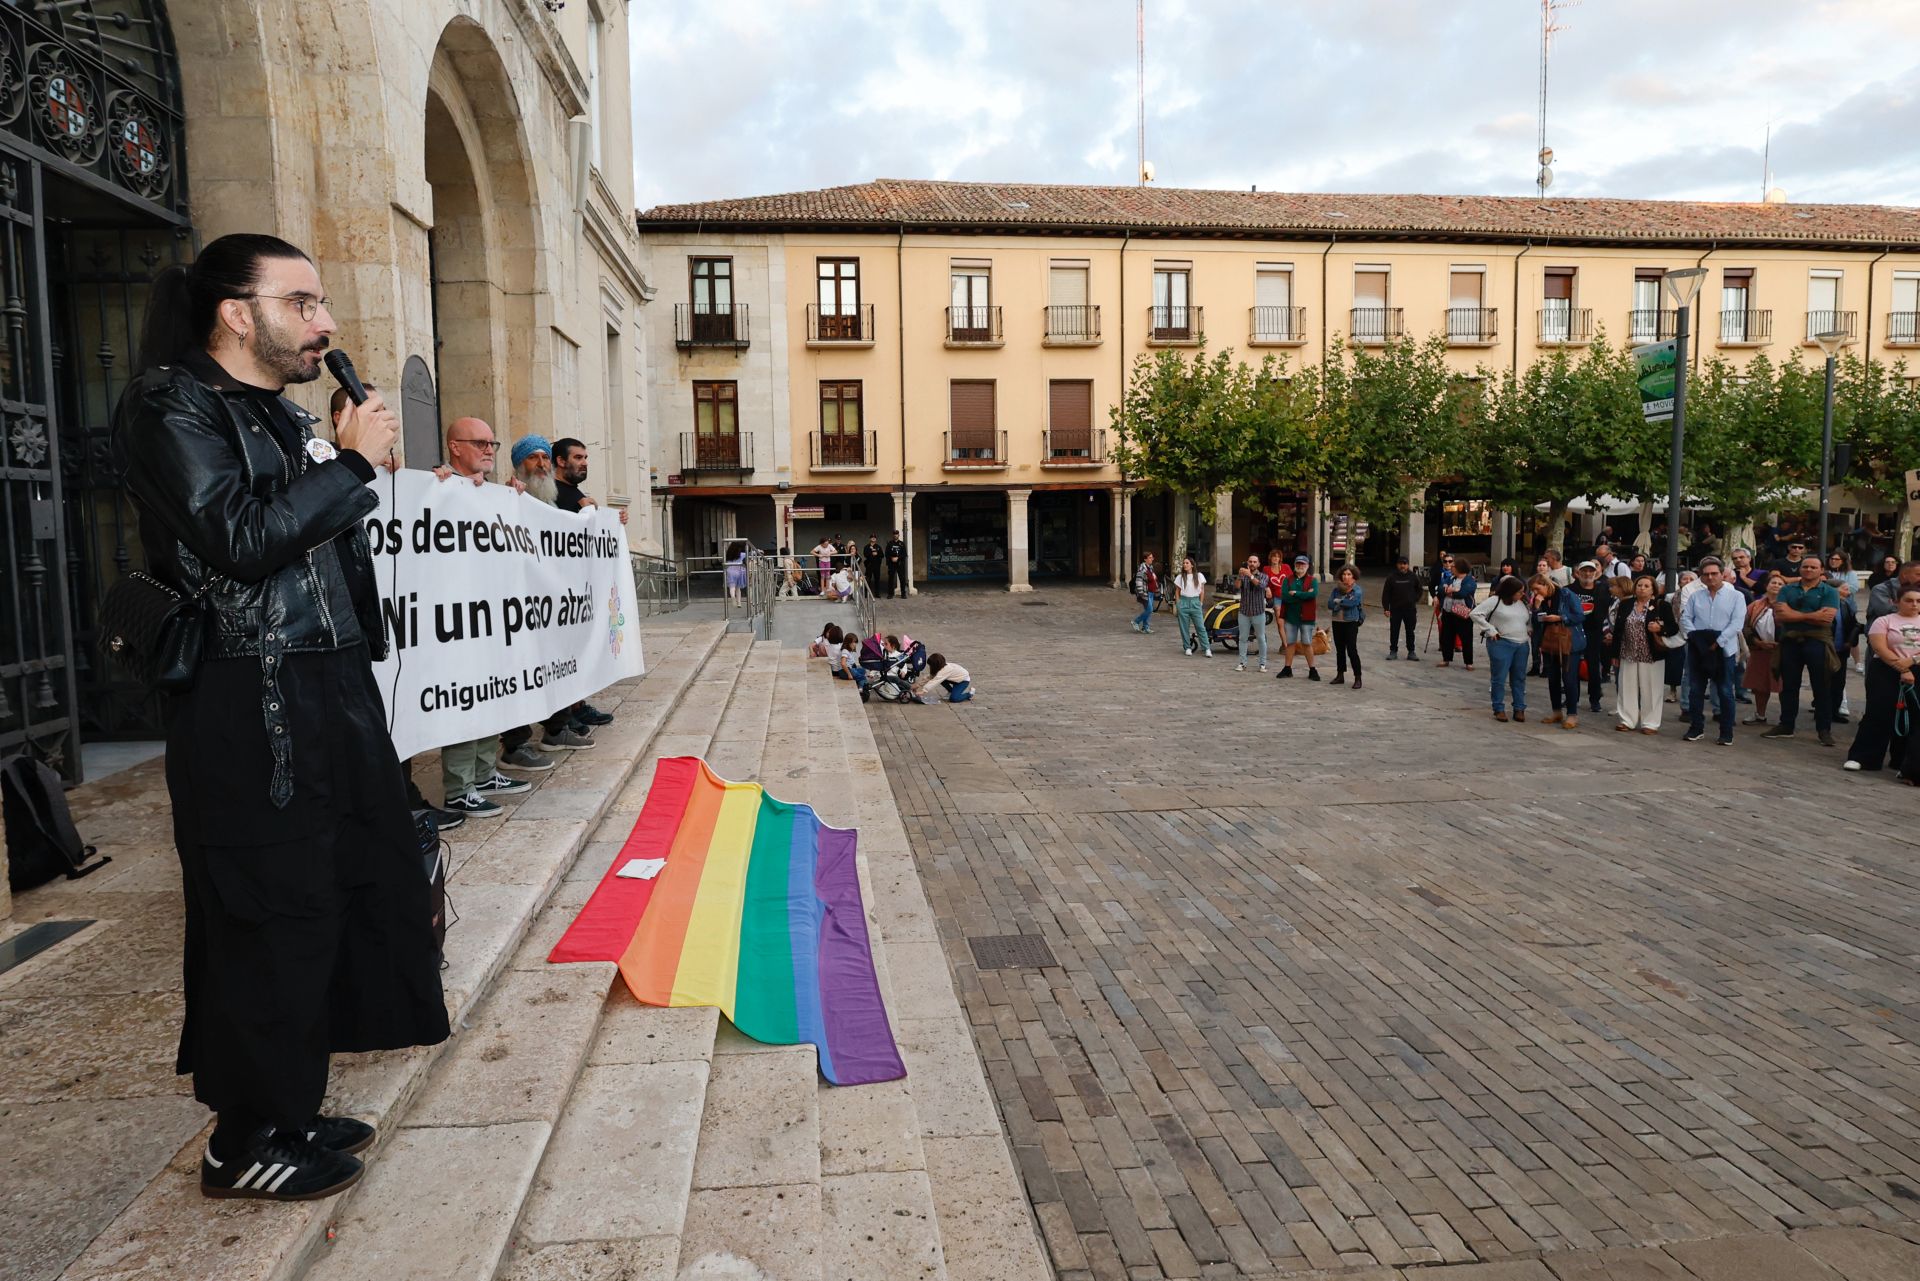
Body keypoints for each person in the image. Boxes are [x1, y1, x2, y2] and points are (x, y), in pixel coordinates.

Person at [119, 233, 448, 1201]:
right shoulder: (169, 403)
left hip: (328, 687)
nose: (327, 322)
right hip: (247, 697)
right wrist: (347, 467)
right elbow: (239, 538)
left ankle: (289, 1102)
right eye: (302, 302)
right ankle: (248, 1136)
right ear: (235, 312)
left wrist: (335, 461)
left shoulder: (279, 414)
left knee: (342, 891)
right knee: (268, 911)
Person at [434, 417, 541, 817]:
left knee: (489, 694)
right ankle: (459, 786)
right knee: (464, 699)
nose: (489, 449)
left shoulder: (494, 494)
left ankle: (482, 773)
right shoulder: (437, 485)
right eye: (479, 442)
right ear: (454, 447)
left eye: (492, 443)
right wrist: (437, 481)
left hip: (493, 616)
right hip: (458, 620)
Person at [1846, 563, 1920, 771]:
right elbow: (1879, 645)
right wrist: (1902, 668)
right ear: (1897, 602)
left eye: (1918, 601)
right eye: (1909, 601)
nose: (1914, 605)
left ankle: (1904, 762)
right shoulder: (1885, 620)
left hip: (1916, 668)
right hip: (1887, 668)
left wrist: (1912, 663)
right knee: (1879, 712)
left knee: (1913, 715)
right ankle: (1864, 757)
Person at [1764, 555, 1843, 746]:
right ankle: (1786, 724)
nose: (1808, 570)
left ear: (1821, 570)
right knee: (1789, 685)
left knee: (1822, 686)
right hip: (1790, 641)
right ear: (1800, 569)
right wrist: (1813, 615)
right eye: (1805, 566)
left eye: (1813, 567)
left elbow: (1827, 619)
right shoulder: (1787, 589)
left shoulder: (1830, 591)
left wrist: (1795, 615)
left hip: (1817, 641)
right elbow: (1781, 615)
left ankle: (1824, 729)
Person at [1681, 557, 1743, 745]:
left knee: (1725, 691)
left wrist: (1719, 641)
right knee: (1696, 689)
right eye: (1706, 574)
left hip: (1724, 649)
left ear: (1722, 574)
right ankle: (1696, 727)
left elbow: (1737, 623)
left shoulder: (1736, 596)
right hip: (1698, 649)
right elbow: (1685, 619)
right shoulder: (1695, 596)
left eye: (1714, 574)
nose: (1710, 577)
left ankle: (1726, 731)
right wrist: (1697, 639)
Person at [1608, 574, 1676, 734]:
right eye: (1639, 585)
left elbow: (1673, 627)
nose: (1642, 588)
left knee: (1651, 689)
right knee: (1626, 687)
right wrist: (1615, 653)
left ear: (1653, 589)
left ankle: (1650, 723)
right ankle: (1627, 720)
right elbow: (1618, 630)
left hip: (1651, 654)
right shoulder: (1625, 604)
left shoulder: (1661, 605)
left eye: (1646, 586)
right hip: (1628, 652)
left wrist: (1661, 628)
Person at [1469, 575, 1531, 721]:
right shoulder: (1495, 601)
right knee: (1499, 677)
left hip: (1522, 644)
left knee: (1519, 678)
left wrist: (1529, 628)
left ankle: (1519, 708)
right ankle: (1498, 708)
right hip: (1502, 643)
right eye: (1519, 592)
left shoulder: (1522, 603)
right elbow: (1475, 614)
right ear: (1510, 591)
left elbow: (1527, 619)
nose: (1522, 594)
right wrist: (1490, 629)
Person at [1528, 573, 1586, 729]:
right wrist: (1537, 608)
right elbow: (1536, 621)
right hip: (1548, 642)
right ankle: (1556, 711)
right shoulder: (1540, 600)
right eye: (1533, 590)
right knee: (1552, 678)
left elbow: (1580, 615)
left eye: (1537, 589)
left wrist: (1560, 618)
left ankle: (1572, 714)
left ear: (1545, 584)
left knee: (1569, 678)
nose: (1535, 593)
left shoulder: (1566, 594)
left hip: (1568, 641)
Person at [549, 438, 629, 527]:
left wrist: (616, 521)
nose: (585, 463)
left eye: (585, 458)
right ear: (561, 461)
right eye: (578, 458)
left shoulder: (579, 495)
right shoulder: (546, 493)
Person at [1743, 571, 1787, 725]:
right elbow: (1746, 626)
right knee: (1760, 685)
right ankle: (1760, 714)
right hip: (1760, 651)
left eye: (1780, 584)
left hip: (1783, 652)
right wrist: (1757, 642)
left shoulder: (1790, 605)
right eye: (1773, 583)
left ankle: (1786, 719)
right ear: (1766, 586)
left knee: (1784, 685)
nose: (1776, 586)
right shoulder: (1755, 605)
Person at [1567, 560, 1610, 714]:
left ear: (1595, 573)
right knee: (1572, 667)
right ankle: (1572, 697)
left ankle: (1595, 699)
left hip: (1594, 633)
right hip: (1574, 631)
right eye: (1584, 571)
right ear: (1577, 573)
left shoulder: (1603, 590)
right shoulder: (1569, 590)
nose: (1587, 574)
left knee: (1593, 667)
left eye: (1590, 571)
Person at [1277, 554, 1321, 680]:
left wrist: (1296, 593)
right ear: (1294, 565)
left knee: (1306, 643)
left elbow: (1313, 595)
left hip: (1306, 617)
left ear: (1307, 566)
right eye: (1298, 564)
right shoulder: (1287, 579)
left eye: (1303, 564)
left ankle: (1312, 670)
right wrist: (1303, 595)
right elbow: (1285, 596)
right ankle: (1287, 668)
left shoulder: (1312, 580)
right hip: (1291, 617)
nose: (1300, 566)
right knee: (1290, 643)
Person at [1433, 553, 1477, 670]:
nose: (1450, 566)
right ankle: (1446, 658)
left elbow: (1462, 593)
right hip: (1448, 611)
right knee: (1446, 636)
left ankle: (1468, 662)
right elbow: (1441, 588)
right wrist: (1450, 590)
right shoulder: (1450, 578)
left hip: (1463, 613)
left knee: (1466, 638)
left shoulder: (1470, 580)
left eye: (1453, 565)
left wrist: (1450, 590)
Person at [1326, 566, 1364, 689]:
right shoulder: (1336, 590)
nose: (1345, 577)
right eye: (1344, 574)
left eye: (1348, 574)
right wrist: (1341, 602)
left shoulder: (1356, 590)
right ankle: (1340, 675)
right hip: (1337, 621)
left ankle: (1358, 677)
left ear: (1353, 576)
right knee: (1340, 650)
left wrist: (1339, 602)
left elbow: (1352, 603)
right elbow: (1330, 604)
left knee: (1352, 650)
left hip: (1350, 622)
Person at [1382, 553, 1423, 660]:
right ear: (1397, 565)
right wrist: (1386, 608)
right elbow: (1386, 594)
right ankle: (1393, 651)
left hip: (1410, 609)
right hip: (1395, 609)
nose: (1402, 566)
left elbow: (1419, 589)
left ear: (1408, 565)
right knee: (1394, 630)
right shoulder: (1391, 577)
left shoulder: (1413, 576)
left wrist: (1415, 599)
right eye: (1400, 564)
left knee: (1410, 631)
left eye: (1404, 564)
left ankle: (1411, 651)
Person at [1234, 554, 1271, 673]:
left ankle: (1262, 663)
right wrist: (1240, 576)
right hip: (1244, 611)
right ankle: (1242, 663)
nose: (1252, 564)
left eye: (1255, 562)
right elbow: (1236, 587)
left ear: (1258, 564)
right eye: (1250, 561)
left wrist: (1250, 576)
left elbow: (1261, 586)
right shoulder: (1243, 575)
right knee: (1243, 638)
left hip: (1258, 612)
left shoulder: (1263, 576)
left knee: (1261, 638)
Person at [1172, 556, 1210, 656]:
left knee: (1200, 627)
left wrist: (1200, 603)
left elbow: (1202, 591)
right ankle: (1187, 647)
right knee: (1184, 627)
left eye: (1187, 563)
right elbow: (1177, 591)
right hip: (1183, 601)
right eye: (1184, 563)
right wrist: (1178, 603)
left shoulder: (1199, 576)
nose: (1185, 564)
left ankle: (1206, 648)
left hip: (1195, 601)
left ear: (1192, 565)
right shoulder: (1180, 577)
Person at [1130, 551, 1159, 633]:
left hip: (1151, 592)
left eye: (1152, 557)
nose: (1152, 559)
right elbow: (1138, 581)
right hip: (1146, 593)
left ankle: (1145, 627)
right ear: (1145, 559)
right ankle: (1136, 621)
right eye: (1150, 558)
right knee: (1150, 609)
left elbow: (1154, 580)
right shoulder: (1142, 569)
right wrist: (1141, 593)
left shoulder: (1150, 567)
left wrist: (1157, 589)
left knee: (1148, 610)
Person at [884, 529, 908, 598]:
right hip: (892, 564)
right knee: (891, 579)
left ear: (898, 535)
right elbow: (886, 553)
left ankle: (903, 594)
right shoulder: (890, 543)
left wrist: (898, 558)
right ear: (893, 535)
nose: (895, 535)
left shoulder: (902, 544)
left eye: (896, 534)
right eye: (894, 534)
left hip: (900, 564)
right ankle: (890, 594)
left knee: (902, 579)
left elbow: (904, 554)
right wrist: (891, 558)